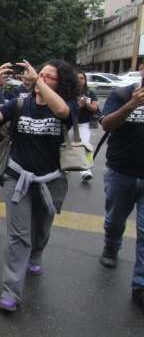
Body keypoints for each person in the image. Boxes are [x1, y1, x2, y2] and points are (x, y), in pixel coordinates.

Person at [0, 59, 78, 313]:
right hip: (17, 176)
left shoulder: (67, 105)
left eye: (49, 77)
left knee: (42, 228)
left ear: (61, 84)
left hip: (51, 180)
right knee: (18, 235)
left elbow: (61, 112)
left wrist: (36, 80)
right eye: (41, 75)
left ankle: (36, 254)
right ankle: (10, 291)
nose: (42, 79)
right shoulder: (20, 103)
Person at [98, 68, 144, 311]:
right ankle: (111, 244)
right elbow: (106, 124)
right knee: (115, 220)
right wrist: (131, 106)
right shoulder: (122, 94)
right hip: (120, 172)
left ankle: (140, 284)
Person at [75, 71, 98, 182]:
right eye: (77, 78)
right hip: (68, 124)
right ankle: (62, 166)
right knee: (63, 146)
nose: (79, 80)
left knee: (86, 147)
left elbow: (95, 108)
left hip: (83, 124)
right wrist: (78, 105)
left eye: (81, 78)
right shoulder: (68, 92)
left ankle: (86, 171)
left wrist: (86, 104)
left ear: (85, 80)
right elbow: (64, 109)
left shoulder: (90, 93)